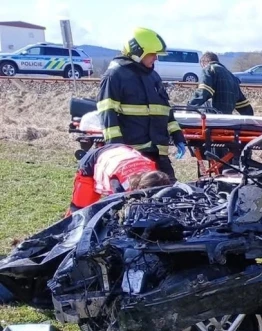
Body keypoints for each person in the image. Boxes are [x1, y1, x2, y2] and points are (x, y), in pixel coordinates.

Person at [97, 27, 186, 180]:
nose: (156, 58)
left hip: (158, 154)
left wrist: (178, 136)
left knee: (169, 196)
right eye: (152, 54)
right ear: (137, 51)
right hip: (133, 155)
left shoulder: (153, 77)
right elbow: (107, 114)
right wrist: (117, 149)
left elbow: (165, 110)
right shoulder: (115, 75)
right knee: (138, 200)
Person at [68, 144, 172, 214]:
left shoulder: (156, 176)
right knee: (80, 209)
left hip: (124, 151)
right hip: (94, 161)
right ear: (142, 187)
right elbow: (114, 206)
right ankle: (67, 233)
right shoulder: (118, 185)